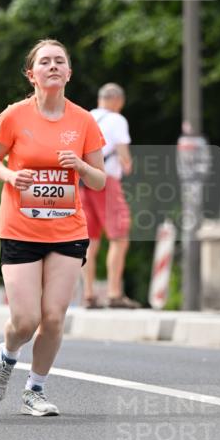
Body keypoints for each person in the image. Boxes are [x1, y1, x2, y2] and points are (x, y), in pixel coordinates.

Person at [0, 39, 106, 417]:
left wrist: (82, 168)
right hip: (20, 228)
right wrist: (11, 175)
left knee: (53, 317)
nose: (53, 67)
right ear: (31, 74)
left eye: (60, 62)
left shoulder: (83, 120)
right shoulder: (13, 117)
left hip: (67, 229)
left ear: (69, 73)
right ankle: (6, 356)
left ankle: (35, 389)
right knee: (26, 320)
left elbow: (100, 180)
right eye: (45, 62)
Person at [80, 83, 140, 309]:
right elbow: (124, 157)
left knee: (89, 240)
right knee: (119, 235)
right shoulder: (117, 120)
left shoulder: (85, 117)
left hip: (83, 183)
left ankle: (88, 294)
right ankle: (114, 293)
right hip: (106, 183)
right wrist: (128, 165)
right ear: (117, 101)